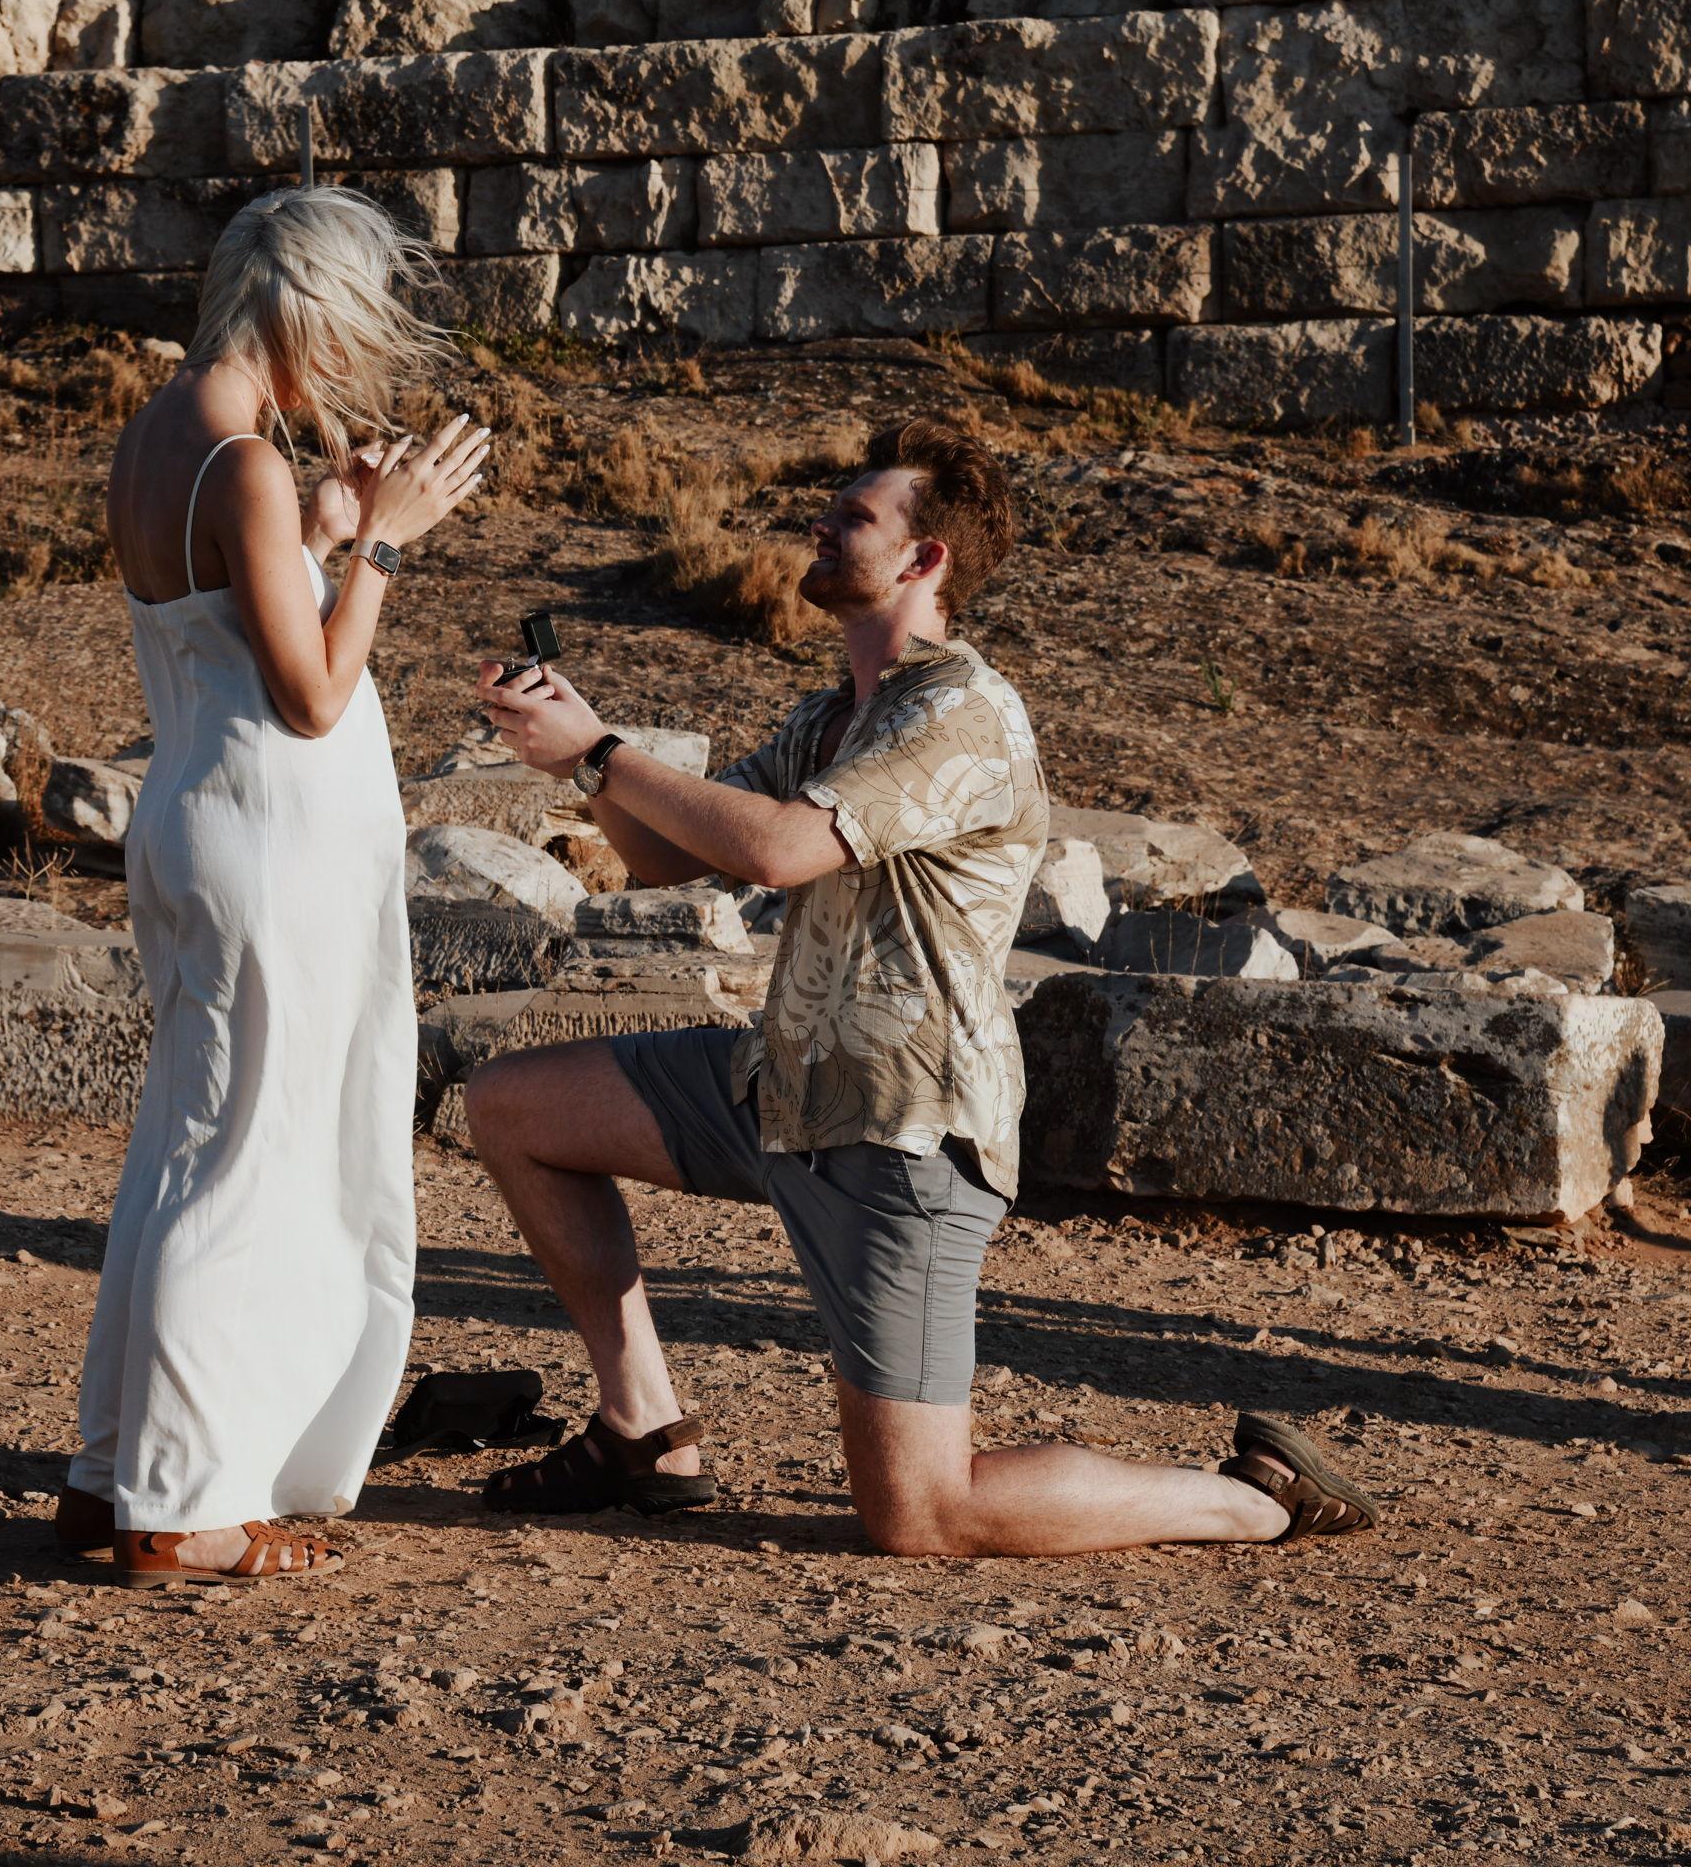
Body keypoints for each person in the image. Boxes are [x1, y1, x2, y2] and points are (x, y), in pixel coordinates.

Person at [464, 417, 1380, 1557]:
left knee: (919, 1513)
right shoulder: (829, 712)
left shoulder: (960, 709)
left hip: (899, 1128)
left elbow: (778, 852)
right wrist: (571, 760)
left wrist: (603, 751)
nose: (819, 521)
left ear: (923, 558)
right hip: (778, 1084)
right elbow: (666, 854)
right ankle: (646, 1431)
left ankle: (1247, 1496)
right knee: (511, 1105)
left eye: (853, 515)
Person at [56, 184, 491, 1585]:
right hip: (264, 837)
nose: (346, 370)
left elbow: (230, 621)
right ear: (300, 311)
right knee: (248, 1155)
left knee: (190, 1140)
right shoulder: (237, 458)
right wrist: (382, 542)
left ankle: (113, 1468)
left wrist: (319, 524)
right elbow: (308, 693)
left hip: (204, 820)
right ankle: (181, 1504)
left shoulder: (159, 434)